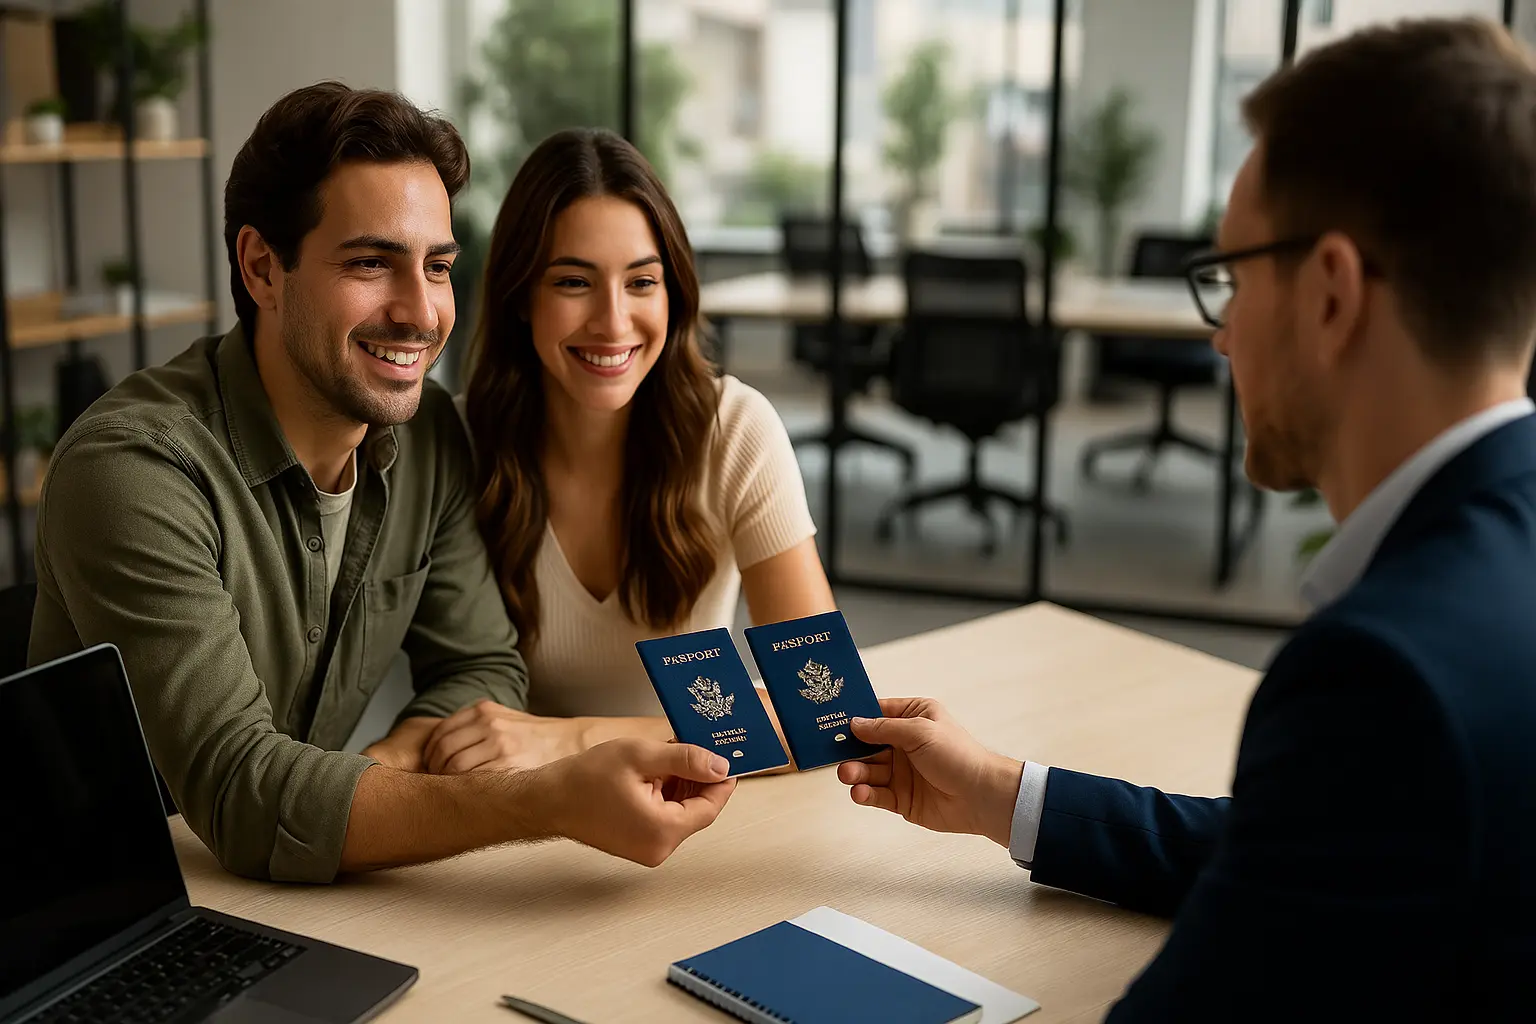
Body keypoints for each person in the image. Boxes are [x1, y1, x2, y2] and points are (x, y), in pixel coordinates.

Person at [838, 18, 1536, 1020]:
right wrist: (1003, 792)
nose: (1221, 338)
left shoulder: (1388, 676)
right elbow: (1319, 845)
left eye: (1233, 282)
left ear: (1331, 295)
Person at [28, 82, 736, 884]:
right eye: (371, 263)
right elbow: (243, 794)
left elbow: (481, 669)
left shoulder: (427, 436)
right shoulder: (134, 469)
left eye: (437, 267)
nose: (421, 312)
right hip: (93, 902)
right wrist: (546, 801)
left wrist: (393, 758)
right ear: (262, 268)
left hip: (287, 894)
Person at [425, 128, 834, 773]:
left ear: (673, 295)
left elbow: (825, 712)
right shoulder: (457, 444)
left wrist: (573, 738)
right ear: (520, 297)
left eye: (642, 282)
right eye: (573, 282)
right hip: (520, 807)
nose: (613, 322)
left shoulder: (735, 431)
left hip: (697, 799)